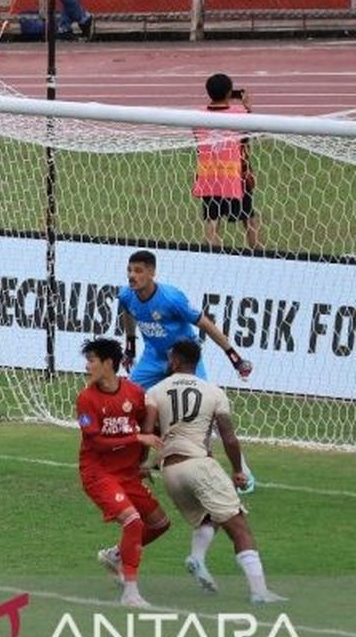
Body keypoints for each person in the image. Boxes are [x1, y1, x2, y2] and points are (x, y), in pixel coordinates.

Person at [140, 339, 286, 605]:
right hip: (199, 464)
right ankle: (260, 592)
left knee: (211, 516)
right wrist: (239, 471)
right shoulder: (214, 392)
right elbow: (228, 437)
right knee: (239, 526)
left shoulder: (155, 390)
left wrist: (142, 465)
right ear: (195, 362)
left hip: (171, 472)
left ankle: (197, 557)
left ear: (174, 361)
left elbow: (147, 433)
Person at [118, 249, 257, 492]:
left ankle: (241, 470)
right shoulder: (126, 295)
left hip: (185, 359)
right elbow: (128, 313)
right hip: (153, 358)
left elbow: (206, 325)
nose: (132, 276)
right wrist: (129, 347)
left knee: (209, 411)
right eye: (130, 270)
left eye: (138, 271)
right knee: (128, 399)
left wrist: (235, 357)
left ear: (152, 273)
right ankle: (149, 458)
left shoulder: (172, 299)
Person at [76, 337, 171, 608]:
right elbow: (95, 442)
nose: (87, 366)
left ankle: (116, 555)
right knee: (133, 521)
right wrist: (136, 439)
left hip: (127, 474)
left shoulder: (134, 393)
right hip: (98, 474)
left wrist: (144, 462)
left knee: (160, 524)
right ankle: (130, 593)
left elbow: (148, 422)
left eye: (92, 360)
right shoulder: (86, 399)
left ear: (108, 364)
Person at [194, 73, 262, 250]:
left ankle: (212, 253)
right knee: (248, 215)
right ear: (229, 92)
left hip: (209, 174)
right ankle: (259, 252)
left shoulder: (197, 116)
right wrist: (248, 107)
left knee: (212, 217)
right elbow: (251, 134)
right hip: (235, 174)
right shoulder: (240, 114)